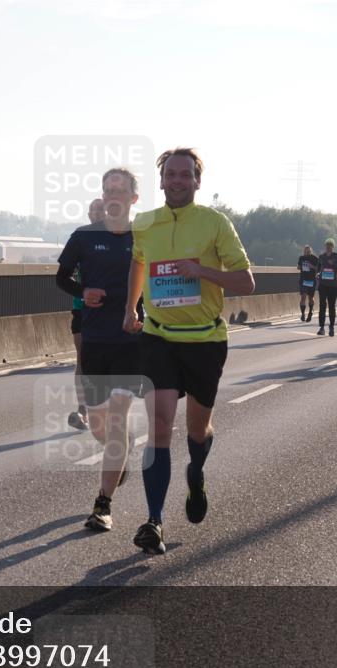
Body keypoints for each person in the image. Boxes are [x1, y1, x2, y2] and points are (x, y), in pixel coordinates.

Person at [123, 147, 254, 554]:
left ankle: (196, 473)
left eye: (185, 175)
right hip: (158, 338)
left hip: (205, 341)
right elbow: (138, 262)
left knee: (197, 431)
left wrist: (201, 272)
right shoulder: (145, 223)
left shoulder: (215, 223)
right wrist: (131, 308)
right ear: (161, 180)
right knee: (160, 427)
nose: (177, 181)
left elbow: (246, 282)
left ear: (197, 181)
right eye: (170, 174)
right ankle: (154, 521)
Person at [57, 172, 144, 531]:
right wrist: (83, 291)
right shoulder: (84, 236)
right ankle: (119, 452)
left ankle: (103, 504)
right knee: (98, 426)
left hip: (130, 341)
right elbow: (61, 278)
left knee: (118, 416)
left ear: (134, 198)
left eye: (120, 191)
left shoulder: (145, 236)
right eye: (108, 190)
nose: (113, 196)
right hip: (94, 340)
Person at [66, 199, 107, 430]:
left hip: (110, 310)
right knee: (83, 358)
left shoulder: (120, 237)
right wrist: (82, 291)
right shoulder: (80, 237)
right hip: (82, 308)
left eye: (101, 209)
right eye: (93, 210)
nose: (97, 213)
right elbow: (65, 274)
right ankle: (82, 412)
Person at [316, 238, 337, 336]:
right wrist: (318, 273)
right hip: (323, 285)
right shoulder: (321, 257)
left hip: (333, 286)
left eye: (330, 245)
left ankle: (331, 327)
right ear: (325, 246)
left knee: (332, 306)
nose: (328, 247)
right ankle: (322, 327)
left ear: (333, 247)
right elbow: (317, 269)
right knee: (322, 306)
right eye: (327, 245)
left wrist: (334, 264)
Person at [297, 245, 318, 321]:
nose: (307, 252)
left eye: (308, 251)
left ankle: (310, 312)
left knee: (310, 298)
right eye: (305, 251)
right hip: (303, 280)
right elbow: (298, 267)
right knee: (303, 296)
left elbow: (318, 268)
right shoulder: (301, 258)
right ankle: (303, 314)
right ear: (304, 251)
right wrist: (300, 267)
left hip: (311, 280)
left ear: (310, 251)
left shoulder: (314, 258)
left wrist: (312, 266)